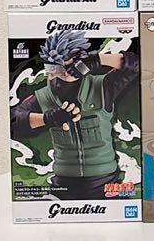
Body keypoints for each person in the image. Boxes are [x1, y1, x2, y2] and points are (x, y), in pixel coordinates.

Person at [10, 30, 139, 200]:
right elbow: (13, 122)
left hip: (105, 182)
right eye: (54, 67)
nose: (62, 72)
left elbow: (134, 65)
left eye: (66, 66)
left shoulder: (102, 86)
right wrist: (49, 118)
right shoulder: (44, 96)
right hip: (63, 184)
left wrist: (96, 61)